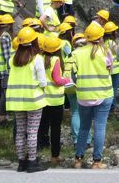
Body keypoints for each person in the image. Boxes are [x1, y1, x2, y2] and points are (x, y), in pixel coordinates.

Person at [6, 27, 48, 173]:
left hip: (16, 101)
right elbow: (43, 82)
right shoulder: (37, 59)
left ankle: (20, 162)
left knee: (20, 131)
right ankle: (32, 162)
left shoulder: (12, 59)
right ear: (34, 41)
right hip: (33, 101)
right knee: (31, 131)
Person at [72, 24, 113, 170]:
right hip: (103, 94)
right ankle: (97, 161)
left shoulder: (76, 53)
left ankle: (78, 159)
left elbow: (72, 75)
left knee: (84, 127)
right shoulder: (105, 51)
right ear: (101, 36)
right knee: (100, 127)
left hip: (83, 95)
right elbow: (110, 70)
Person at [39, 36, 73, 165]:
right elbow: (58, 80)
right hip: (56, 100)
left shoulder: (40, 58)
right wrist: (68, 80)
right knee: (55, 128)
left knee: (41, 127)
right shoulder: (56, 60)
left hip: (42, 98)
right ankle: (55, 155)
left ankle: (36, 152)